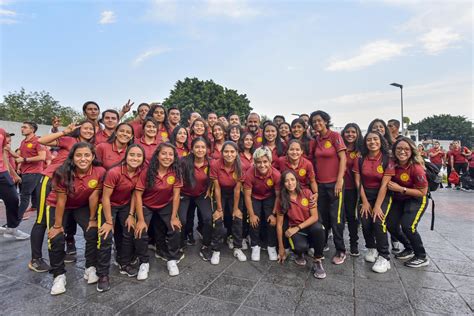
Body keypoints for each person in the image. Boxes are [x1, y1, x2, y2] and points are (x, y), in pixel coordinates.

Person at [33, 121, 95, 269]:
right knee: (42, 220)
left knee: (62, 219)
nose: (88, 130)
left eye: (91, 128)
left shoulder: (91, 147)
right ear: (79, 129)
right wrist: (64, 132)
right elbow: (41, 141)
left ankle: (59, 252)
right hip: (50, 180)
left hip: (67, 185)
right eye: (85, 128)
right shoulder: (69, 140)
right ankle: (35, 258)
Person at [47, 142, 106, 295]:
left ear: (93, 156)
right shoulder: (62, 172)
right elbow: (61, 200)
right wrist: (58, 226)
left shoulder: (99, 171)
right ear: (72, 158)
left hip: (81, 205)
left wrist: (93, 218)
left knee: (92, 231)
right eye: (79, 155)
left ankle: (90, 267)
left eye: (87, 155)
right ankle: (59, 275)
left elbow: (94, 196)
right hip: (59, 205)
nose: (83, 159)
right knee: (56, 238)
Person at [98, 144, 146, 291]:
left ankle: (124, 263)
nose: (135, 158)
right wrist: (108, 221)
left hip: (125, 204)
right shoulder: (114, 172)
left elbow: (134, 194)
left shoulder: (140, 172)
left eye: (139, 156)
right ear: (126, 156)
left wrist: (131, 215)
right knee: (105, 237)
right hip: (109, 205)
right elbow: (105, 198)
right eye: (132, 155)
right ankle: (103, 274)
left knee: (128, 231)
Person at [134, 143, 183, 277]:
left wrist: (174, 217)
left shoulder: (176, 172)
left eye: (170, 154)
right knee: (140, 231)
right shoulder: (147, 171)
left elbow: (177, 195)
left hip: (165, 204)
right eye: (164, 153)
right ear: (157, 156)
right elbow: (137, 195)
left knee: (175, 228)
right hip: (147, 205)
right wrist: (141, 220)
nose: (167, 157)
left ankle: (172, 259)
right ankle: (144, 262)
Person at [353, 131, 395, 273]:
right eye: (369, 140)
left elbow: (384, 184)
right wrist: (365, 202)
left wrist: (377, 206)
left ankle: (384, 257)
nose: (372, 142)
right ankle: (371, 248)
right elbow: (358, 181)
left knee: (378, 221)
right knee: (365, 221)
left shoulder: (387, 159)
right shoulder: (360, 158)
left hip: (382, 196)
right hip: (365, 195)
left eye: (375, 139)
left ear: (380, 141)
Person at [386, 137, 430, 268]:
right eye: (399, 148)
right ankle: (409, 247)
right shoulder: (392, 163)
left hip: (416, 199)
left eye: (406, 149)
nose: (402, 151)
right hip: (399, 199)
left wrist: (401, 189)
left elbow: (422, 192)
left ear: (411, 151)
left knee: (408, 226)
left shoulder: (416, 168)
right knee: (391, 225)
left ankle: (421, 256)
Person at [310, 110, 347, 265]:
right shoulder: (316, 139)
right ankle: (323, 243)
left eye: (319, 120)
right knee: (323, 217)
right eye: (314, 122)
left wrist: (339, 180)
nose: (317, 123)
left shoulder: (335, 136)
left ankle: (340, 250)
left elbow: (343, 158)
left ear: (325, 121)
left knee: (336, 218)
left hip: (335, 184)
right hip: (321, 184)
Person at [180, 137, 224, 264]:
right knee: (182, 220)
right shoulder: (183, 162)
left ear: (207, 149)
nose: (200, 150)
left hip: (201, 195)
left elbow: (214, 177)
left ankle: (206, 245)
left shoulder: (211, 163)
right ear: (192, 149)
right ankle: (181, 242)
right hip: (185, 194)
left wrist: (209, 188)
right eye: (197, 147)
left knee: (207, 218)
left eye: (203, 147)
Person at [276, 170, 326, 278]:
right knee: (300, 247)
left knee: (319, 229)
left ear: (297, 181)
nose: (290, 183)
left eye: (292, 179)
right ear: (283, 184)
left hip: (309, 226)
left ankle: (317, 260)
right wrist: (281, 248)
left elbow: (315, 217)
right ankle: (300, 253)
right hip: (296, 229)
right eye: (286, 181)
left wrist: (298, 227)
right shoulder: (281, 199)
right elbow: (279, 225)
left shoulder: (307, 193)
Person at [210, 141, 247, 262]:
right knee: (218, 219)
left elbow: (237, 189)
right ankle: (216, 250)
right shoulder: (215, 164)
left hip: (233, 193)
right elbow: (217, 188)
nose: (229, 154)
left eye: (232, 151)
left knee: (237, 218)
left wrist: (236, 209)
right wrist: (219, 209)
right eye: (226, 151)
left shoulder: (240, 166)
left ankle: (237, 247)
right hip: (219, 192)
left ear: (236, 153)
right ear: (221, 153)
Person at [244, 147, 281, 261]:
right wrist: (251, 215)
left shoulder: (276, 174)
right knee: (255, 221)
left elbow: (278, 196)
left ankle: (271, 246)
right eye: (258, 162)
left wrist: (274, 214)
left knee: (271, 221)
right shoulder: (249, 173)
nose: (262, 165)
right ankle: (255, 245)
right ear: (254, 162)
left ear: (270, 162)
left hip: (269, 197)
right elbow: (247, 195)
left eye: (265, 162)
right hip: (254, 197)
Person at [16, 122, 46, 222]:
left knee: (24, 196)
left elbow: (42, 157)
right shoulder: (23, 141)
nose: (22, 129)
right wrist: (6, 150)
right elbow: (18, 156)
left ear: (32, 129)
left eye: (25, 127)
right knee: (34, 196)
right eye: (22, 127)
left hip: (34, 173)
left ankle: (15, 220)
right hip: (25, 172)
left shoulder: (38, 141)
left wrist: (24, 160)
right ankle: (41, 218)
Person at [341, 123, 363, 256]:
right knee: (338, 217)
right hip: (338, 187)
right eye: (347, 132)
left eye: (353, 132)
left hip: (352, 189)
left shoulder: (361, 150)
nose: (350, 134)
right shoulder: (340, 148)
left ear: (358, 134)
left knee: (352, 217)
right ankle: (338, 245)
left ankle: (353, 244)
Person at [0, 128, 27, 239]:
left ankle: (12, 228)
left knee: (13, 198)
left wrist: (12, 173)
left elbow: (4, 153)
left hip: (2, 172)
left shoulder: (1, 131)